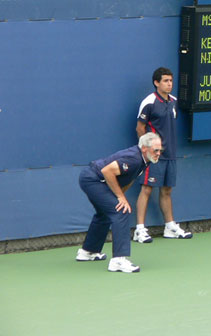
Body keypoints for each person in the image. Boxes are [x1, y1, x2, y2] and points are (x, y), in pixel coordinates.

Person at [76, 132, 162, 273]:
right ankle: (118, 260)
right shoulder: (134, 159)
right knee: (120, 210)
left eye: (160, 150)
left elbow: (129, 178)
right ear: (145, 148)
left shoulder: (145, 160)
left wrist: (120, 195)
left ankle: (88, 251)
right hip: (93, 179)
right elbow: (107, 171)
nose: (159, 153)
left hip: (93, 179)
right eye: (156, 150)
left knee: (105, 213)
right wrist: (120, 198)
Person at [133, 67, 192, 243]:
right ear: (156, 83)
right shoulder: (149, 102)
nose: (169, 84)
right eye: (165, 81)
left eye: (171, 81)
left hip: (171, 154)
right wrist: (148, 150)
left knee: (167, 190)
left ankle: (170, 226)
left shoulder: (174, 101)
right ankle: (140, 230)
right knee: (147, 189)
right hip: (153, 156)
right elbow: (140, 128)